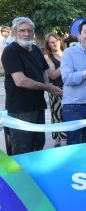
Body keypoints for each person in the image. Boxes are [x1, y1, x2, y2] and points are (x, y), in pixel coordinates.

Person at [1, 17, 62, 155]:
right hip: (20, 110)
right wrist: (47, 88)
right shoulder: (10, 51)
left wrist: (49, 86)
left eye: (30, 30)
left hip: (38, 106)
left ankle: (34, 176)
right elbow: (20, 81)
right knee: (23, 149)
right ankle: (19, 177)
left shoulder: (35, 48)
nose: (27, 34)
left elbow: (44, 71)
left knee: (39, 144)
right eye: (22, 30)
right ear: (14, 32)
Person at [43, 33, 67, 147]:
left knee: (68, 115)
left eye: (56, 40)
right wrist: (66, 64)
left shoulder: (66, 53)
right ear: (48, 45)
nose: (55, 43)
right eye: (51, 42)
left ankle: (66, 139)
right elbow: (52, 75)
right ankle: (58, 142)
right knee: (57, 115)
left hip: (70, 89)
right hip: (56, 89)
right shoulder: (47, 57)